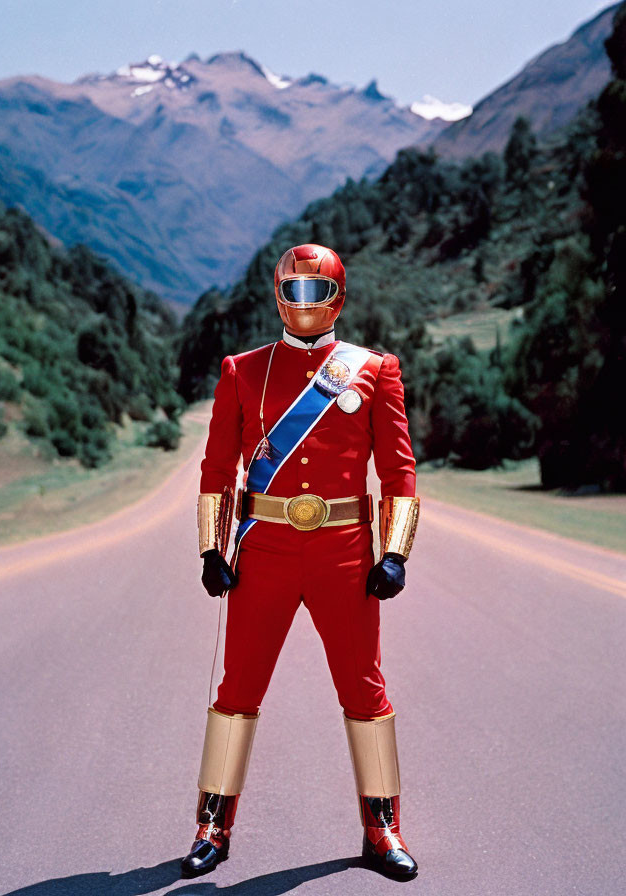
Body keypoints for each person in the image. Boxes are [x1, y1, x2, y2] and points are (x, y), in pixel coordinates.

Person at [182, 243, 420, 880]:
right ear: (277, 294)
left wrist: (394, 553)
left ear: (337, 296)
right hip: (265, 552)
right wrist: (213, 546)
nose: (301, 303)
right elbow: (216, 469)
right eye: (292, 289)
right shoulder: (242, 369)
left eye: (315, 292)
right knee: (238, 688)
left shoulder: (375, 370)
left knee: (365, 690)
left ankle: (383, 829)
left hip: (345, 552)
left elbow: (400, 473)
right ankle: (213, 824)